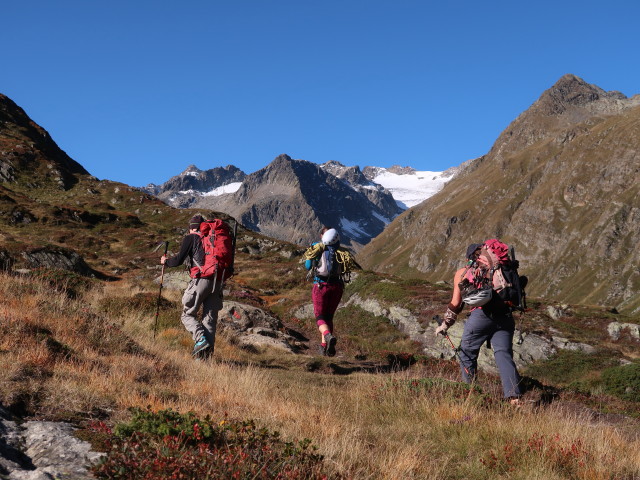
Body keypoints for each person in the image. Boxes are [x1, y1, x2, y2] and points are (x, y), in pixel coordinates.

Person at [435, 243, 522, 404]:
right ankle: (514, 398)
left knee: (467, 353)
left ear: (470, 258)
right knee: (504, 354)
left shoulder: (464, 273)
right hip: (505, 316)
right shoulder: (502, 269)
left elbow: (456, 303)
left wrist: (445, 324)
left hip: (480, 316)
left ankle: (470, 395)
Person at [160, 214, 223, 359]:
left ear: (190, 228)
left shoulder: (191, 238)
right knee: (209, 319)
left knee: (187, 315)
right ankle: (205, 358)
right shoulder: (213, 238)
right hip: (217, 282)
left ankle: (200, 339)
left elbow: (177, 261)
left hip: (201, 280)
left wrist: (165, 261)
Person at [304, 227, 344, 357]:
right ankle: (324, 347)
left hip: (321, 286)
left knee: (320, 317)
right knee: (329, 317)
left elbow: (308, 266)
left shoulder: (317, 247)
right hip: (337, 287)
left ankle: (327, 336)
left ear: (322, 236)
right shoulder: (341, 251)